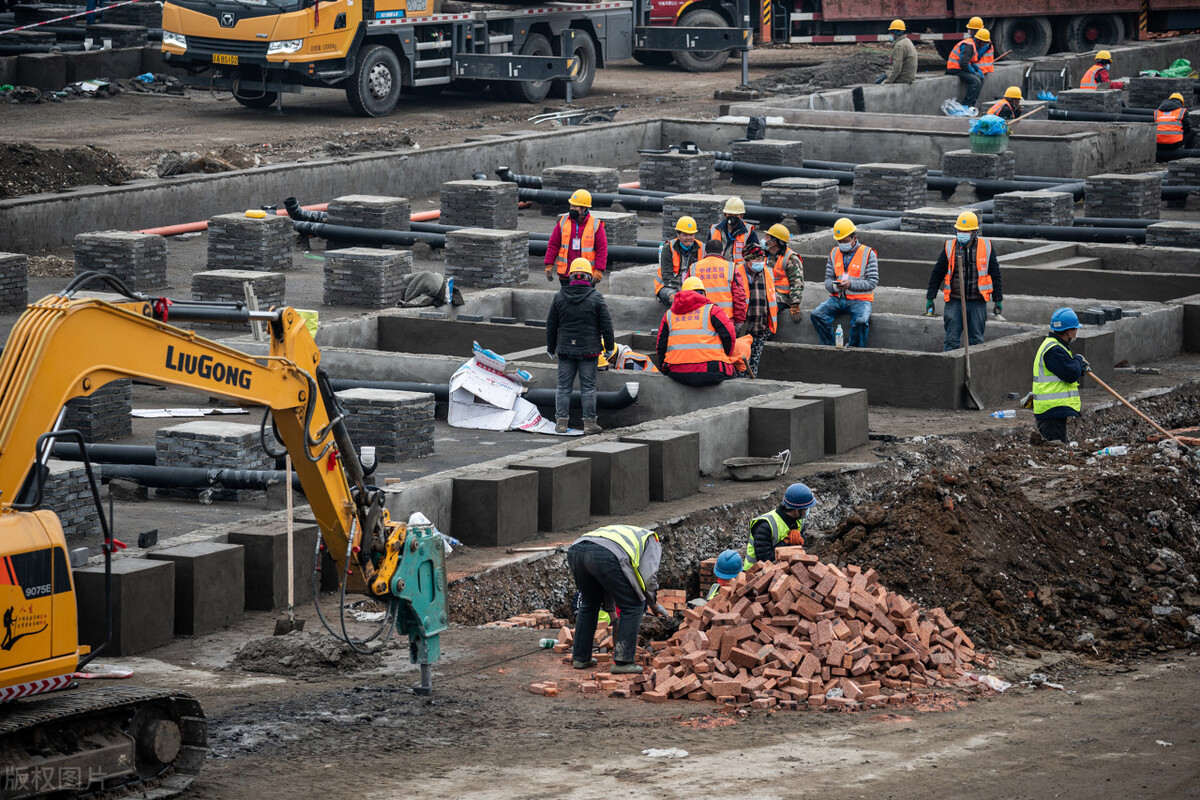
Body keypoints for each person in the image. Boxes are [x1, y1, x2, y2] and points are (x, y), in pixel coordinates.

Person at [567, 525, 666, 673]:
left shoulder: (625, 533)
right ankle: (623, 662)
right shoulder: (652, 540)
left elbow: (606, 583)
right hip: (605, 553)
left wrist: (612, 613)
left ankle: (581, 658)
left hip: (576, 550)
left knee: (589, 603)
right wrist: (653, 603)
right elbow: (649, 578)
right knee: (633, 605)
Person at [546, 257, 614, 435]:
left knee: (563, 388)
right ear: (589, 277)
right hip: (589, 351)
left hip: (566, 350)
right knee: (588, 388)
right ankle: (589, 424)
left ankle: (561, 423)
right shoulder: (596, 297)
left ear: (571, 276)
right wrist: (609, 347)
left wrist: (551, 348)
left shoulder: (559, 296)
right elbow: (606, 324)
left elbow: (552, 325)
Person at [924, 211, 1003, 351]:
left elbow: (995, 274)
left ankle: (975, 370)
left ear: (974, 232)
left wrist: (998, 299)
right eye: (959, 230)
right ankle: (950, 370)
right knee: (951, 339)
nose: (962, 233)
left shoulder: (986, 247)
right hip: (955, 301)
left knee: (976, 340)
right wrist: (930, 297)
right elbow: (937, 273)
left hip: (977, 301)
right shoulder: (950, 247)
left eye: (965, 231)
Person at [655, 276, 737, 386]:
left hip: (676, 371)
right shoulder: (712, 310)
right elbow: (729, 335)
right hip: (710, 370)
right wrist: (726, 355)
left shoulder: (669, 314)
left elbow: (661, 345)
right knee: (737, 368)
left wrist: (663, 368)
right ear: (703, 294)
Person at [810, 218, 878, 348]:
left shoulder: (868, 253)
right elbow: (828, 280)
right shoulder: (834, 253)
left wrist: (850, 285)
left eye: (845, 241)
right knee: (817, 315)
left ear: (854, 238)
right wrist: (835, 287)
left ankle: (854, 349)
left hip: (860, 300)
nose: (842, 244)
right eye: (839, 241)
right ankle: (829, 347)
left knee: (861, 321)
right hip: (837, 298)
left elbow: (872, 282)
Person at [1032, 308, 1090, 444]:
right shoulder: (1054, 350)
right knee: (1055, 450)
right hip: (1051, 410)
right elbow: (1070, 374)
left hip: (1052, 409)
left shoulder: (1056, 346)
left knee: (1057, 449)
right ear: (1069, 331)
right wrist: (1078, 360)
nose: (1076, 332)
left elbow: (1063, 371)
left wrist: (1077, 366)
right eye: (1075, 329)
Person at [544, 189, 608, 287]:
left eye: (575, 207)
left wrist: (599, 270)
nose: (572, 209)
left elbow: (602, 250)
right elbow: (553, 244)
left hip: (586, 276)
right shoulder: (563, 221)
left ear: (584, 208)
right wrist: (549, 265)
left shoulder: (596, 225)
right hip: (566, 274)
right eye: (571, 206)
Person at [745, 483, 816, 568]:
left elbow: (801, 545)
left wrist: (799, 540)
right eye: (806, 508)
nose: (808, 511)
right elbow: (764, 559)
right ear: (797, 511)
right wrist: (787, 541)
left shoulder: (800, 519)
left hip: (783, 567)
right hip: (754, 574)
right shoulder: (765, 525)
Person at [738, 242, 777, 378]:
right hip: (743, 329)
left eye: (762, 259)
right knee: (741, 364)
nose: (760, 262)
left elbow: (771, 298)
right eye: (757, 259)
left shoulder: (767, 272)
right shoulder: (738, 273)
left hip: (761, 327)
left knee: (754, 364)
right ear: (748, 260)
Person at [693, 239, 747, 326]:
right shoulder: (731, 267)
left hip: (700, 317)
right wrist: (739, 320)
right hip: (725, 318)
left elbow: (686, 294)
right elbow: (739, 296)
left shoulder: (694, 268)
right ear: (722, 252)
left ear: (705, 252)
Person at [655, 215, 702, 307]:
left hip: (692, 286)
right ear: (678, 235)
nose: (688, 238)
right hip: (668, 286)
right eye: (685, 235)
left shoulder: (701, 248)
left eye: (691, 235)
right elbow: (667, 275)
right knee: (674, 297)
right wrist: (681, 291)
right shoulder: (668, 248)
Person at [763, 223, 804, 323]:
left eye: (767, 237)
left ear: (773, 242)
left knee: (766, 311)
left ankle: (764, 334)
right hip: (766, 294)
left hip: (782, 298)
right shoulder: (764, 255)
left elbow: (797, 283)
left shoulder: (791, 258)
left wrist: (795, 305)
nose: (764, 239)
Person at [945, 26, 989, 108]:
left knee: (981, 79)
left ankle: (972, 103)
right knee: (976, 81)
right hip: (955, 68)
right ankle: (966, 105)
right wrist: (973, 72)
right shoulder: (969, 45)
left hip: (961, 68)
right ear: (979, 40)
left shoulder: (974, 45)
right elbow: (963, 63)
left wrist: (977, 69)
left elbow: (970, 61)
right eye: (984, 43)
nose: (984, 45)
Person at [709, 197, 760, 264]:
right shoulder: (714, 230)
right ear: (725, 214)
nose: (732, 217)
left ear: (741, 216)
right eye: (730, 214)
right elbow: (708, 254)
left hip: (738, 272)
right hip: (718, 270)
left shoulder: (749, 233)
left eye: (736, 215)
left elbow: (755, 256)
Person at [879, 19, 918, 85]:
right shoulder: (907, 41)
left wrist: (887, 81)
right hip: (908, 76)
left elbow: (897, 67)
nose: (890, 34)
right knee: (882, 76)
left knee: (877, 84)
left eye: (891, 32)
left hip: (903, 78)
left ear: (897, 32)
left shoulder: (899, 45)